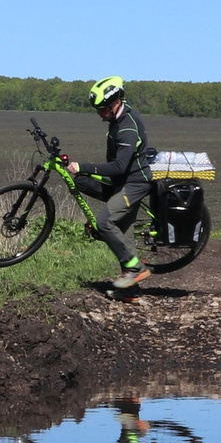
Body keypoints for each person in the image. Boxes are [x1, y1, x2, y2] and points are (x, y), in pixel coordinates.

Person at [62, 76, 156, 292]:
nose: (99, 114)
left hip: (134, 183)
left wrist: (83, 166)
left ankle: (136, 268)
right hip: (123, 181)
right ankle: (129, 291)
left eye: (102, 109)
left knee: (103, 223)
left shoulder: (127, 128)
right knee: (124, 232)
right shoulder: (118, 118)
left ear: (116, 104)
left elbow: (120, 166)